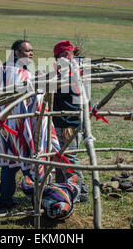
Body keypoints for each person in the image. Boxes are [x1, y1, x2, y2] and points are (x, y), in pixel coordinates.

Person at [0, 40, 34, 209]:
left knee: (9, 163)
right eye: (27, 51)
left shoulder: (8, 69)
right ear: (17, 53)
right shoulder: (14, 71)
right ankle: (35, 199)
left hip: (7, 122)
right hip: (16, 123)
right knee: (26, 160)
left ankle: (5, 199)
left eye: (32, 51)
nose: (31, 54)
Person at [52, 40, 89, 203]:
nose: (72, 55)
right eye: (70, 53)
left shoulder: (68, 73)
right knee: (60, 158)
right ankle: (62, 188)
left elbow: (59, 93)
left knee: (69, 158)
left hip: (67, 122)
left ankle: (81, 192)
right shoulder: (68, 71)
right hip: (65, 120)